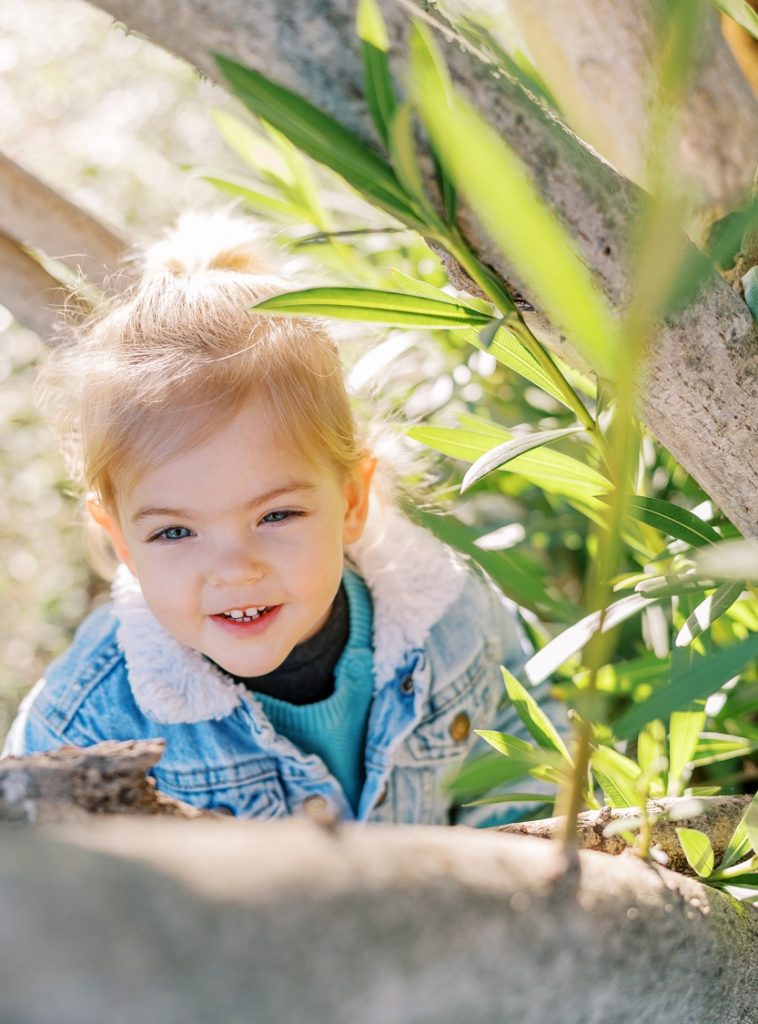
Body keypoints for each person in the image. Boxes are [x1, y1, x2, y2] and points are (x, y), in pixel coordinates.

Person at [2, 212, 546, 825]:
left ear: (350, 502)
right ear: (122, 541)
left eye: (276, 514)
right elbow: (41, 882)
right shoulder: (88, 722)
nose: (234, 570)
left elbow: (524, 743)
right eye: (174, 532)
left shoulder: (448, 617)